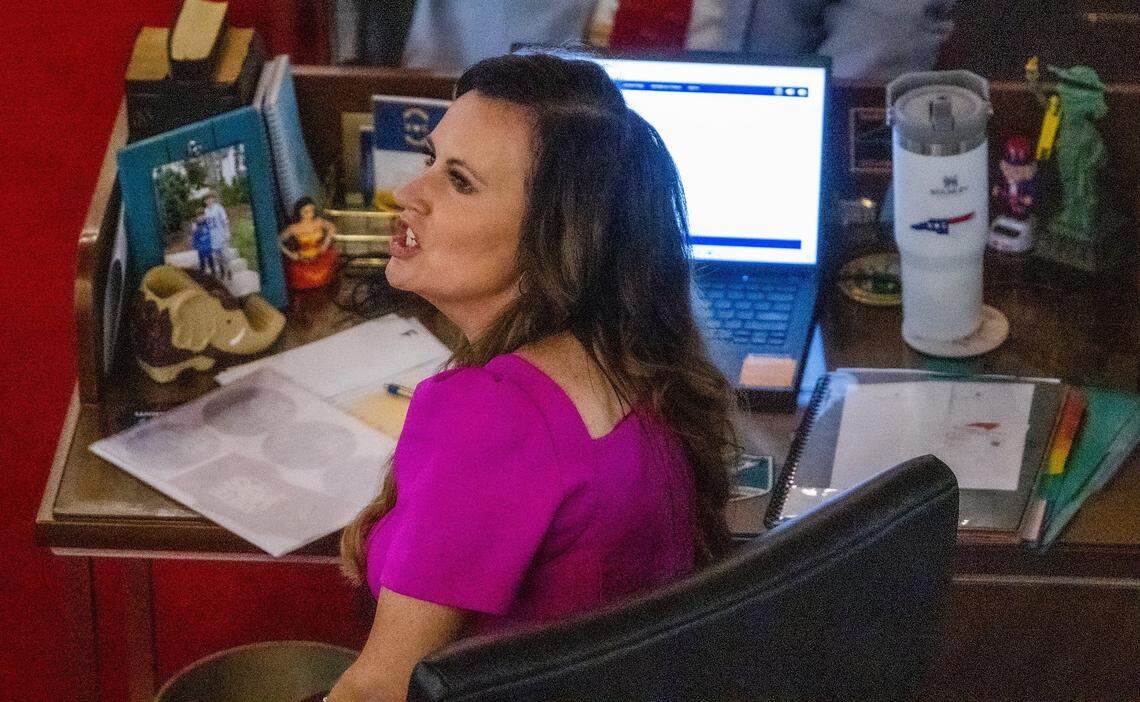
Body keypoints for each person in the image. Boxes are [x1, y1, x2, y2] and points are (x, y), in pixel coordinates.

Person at [327, 52, 739, 701]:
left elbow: (377, 691)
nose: (410, 193)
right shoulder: (623, 360)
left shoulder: (491, 415)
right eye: (431, 159)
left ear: (553, 239)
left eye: (459, 181)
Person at [278, 196, 339, 289]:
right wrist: (290, 254)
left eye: (311, 211)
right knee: (303, 276)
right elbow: (278, 241)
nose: (309, 214)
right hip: (302, 260)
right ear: (299, 212)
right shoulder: (294, 228)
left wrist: (326, 242)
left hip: (320, 257)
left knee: (326, 272)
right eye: (306, 211)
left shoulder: (318, 222)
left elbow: (332, 228)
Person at [202, 191, 231, 280]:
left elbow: (225, 221)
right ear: (205, 201)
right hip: (212, 237)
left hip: (221, 235)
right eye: (206, 199)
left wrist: (227, 233)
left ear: (213, 199)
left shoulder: (218, 208)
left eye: (210, 198)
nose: (209, 200)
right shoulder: (206, 210)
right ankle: (222, 271)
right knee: (217, 257)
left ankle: (229, 270)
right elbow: (206, 224)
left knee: (224, 255)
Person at [191, 210, 216, 277]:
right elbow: (194, 236)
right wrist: (195, 245)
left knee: (210, 259)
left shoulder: (208, 223)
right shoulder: (195, 226)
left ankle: (213, 273)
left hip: (208, 246)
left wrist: (213, 243)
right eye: (199, 216)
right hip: (201, 247)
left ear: (205, 216)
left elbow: (213, 232)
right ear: (197, 217)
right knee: (202, 261)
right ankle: (203, 273)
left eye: (202, 216)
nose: (201, 217)